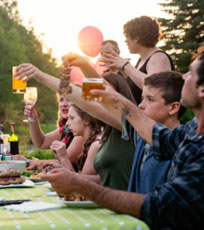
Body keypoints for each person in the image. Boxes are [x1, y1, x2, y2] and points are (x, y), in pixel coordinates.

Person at [41, 49, 204, 229]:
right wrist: (116, 98)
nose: (184, 76)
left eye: (191, 72)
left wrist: (81, 185)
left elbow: (162, 207)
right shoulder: (187, 132)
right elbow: (161, 138)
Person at [16, 64, 136, 190]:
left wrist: (41, 76)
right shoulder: (108, 131)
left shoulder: (125, 125)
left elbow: (85, 100)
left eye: (103, 94)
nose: (98, 100)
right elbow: (102, 179)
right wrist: (83, 64)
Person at [101, 16, 174, 90]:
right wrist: (121, 68)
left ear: (136, 39)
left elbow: (153, 87)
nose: (125, 41)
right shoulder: (142, 59)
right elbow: (134, 84)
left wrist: (125, 65)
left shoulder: (158, 57)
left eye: (127, 37)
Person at [15, 95, 84, 171]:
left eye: (69, 99)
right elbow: (41, 142)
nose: (64, 104)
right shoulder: (66, 128)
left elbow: (64, 162)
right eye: (61, 100)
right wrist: (33, 119)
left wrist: (28, 162)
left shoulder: (81, 131)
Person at [51, 104, 103, 174]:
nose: (67, 123)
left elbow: (81, 183)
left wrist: (63, 157)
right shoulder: (89, 142)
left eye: (72, 118)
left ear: (86, 120)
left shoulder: (96, 145)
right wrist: (58, 165)